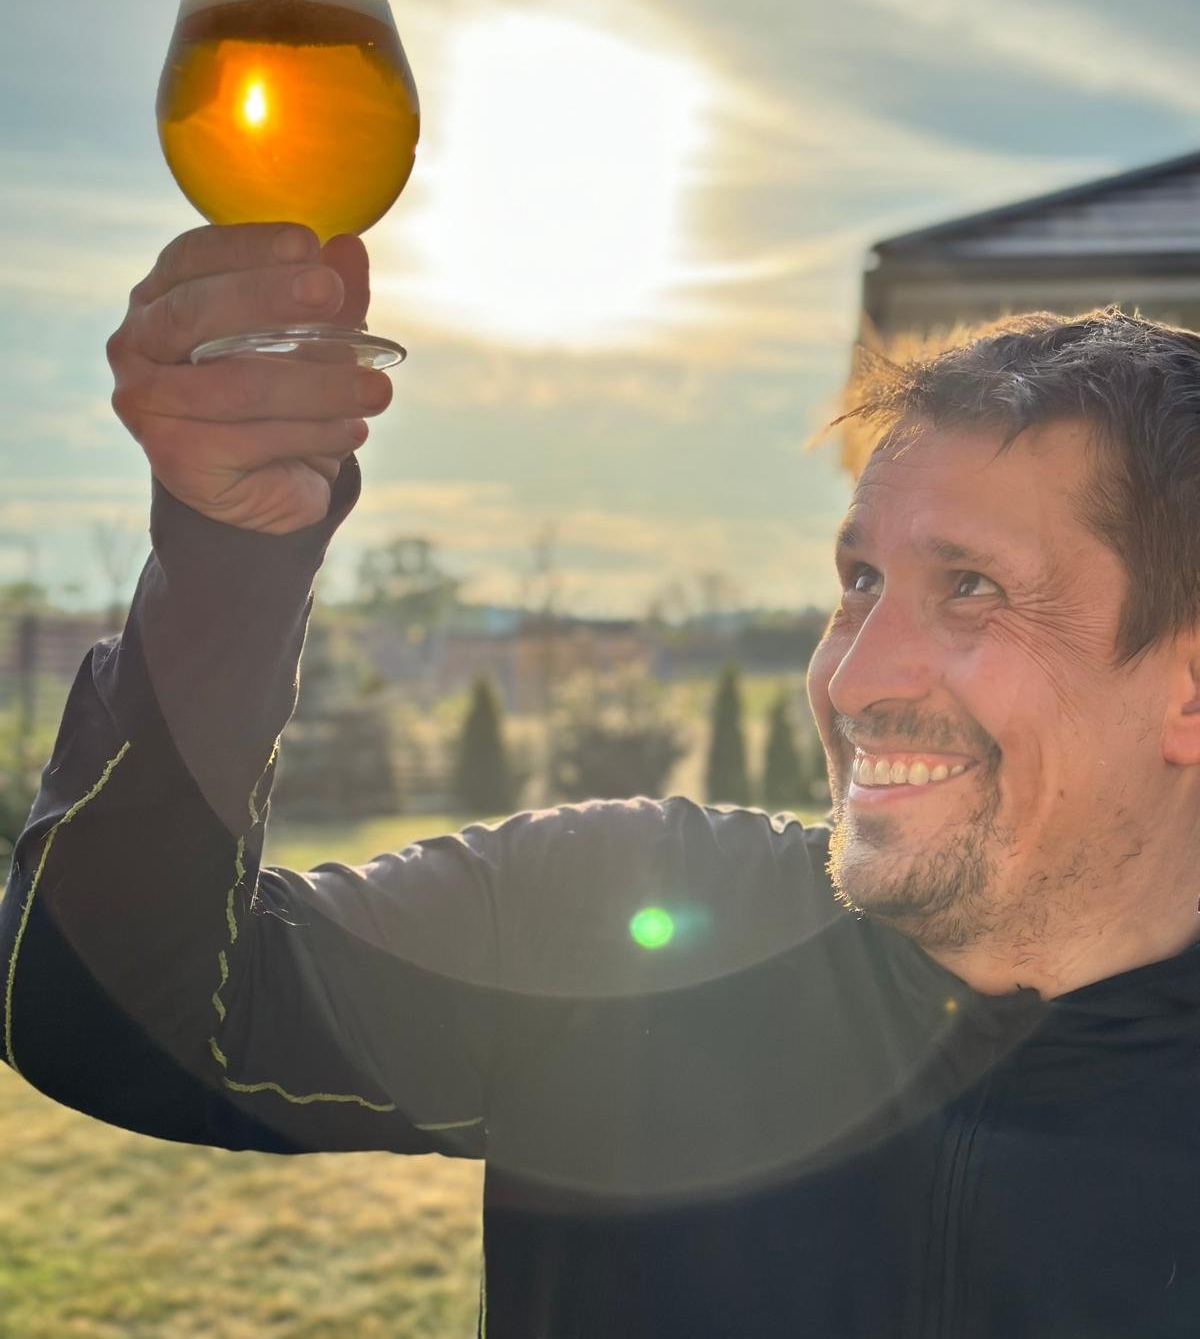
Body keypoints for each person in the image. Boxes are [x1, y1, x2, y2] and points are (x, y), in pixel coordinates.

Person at [3, 224, 1200, 1339]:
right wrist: (226, 558)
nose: (852, 676)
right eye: (860, 582)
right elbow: (115, 1019)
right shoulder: (617, 925)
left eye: (971, 588)